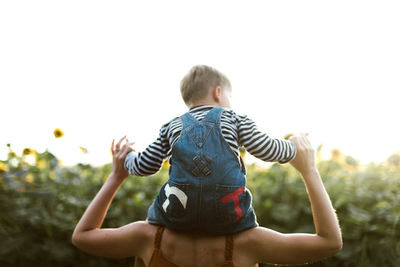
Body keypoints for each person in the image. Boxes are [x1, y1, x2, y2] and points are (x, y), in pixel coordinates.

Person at [72, 134, 342, 267]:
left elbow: (83, 236)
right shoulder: (248, 243)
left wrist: (116, 177)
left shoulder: (147, 237)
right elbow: (329, 242)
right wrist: (309, 171)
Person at [124, 65, 297, 235]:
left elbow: (144, 165)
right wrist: (293, 148)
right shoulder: (234, 119)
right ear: (218, 92)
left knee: (154, 217)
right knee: (248, 224)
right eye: (230, 95)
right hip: (230, 215)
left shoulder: (171, 127)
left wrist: (128, 156)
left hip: (178, 216)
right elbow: (265, 148)